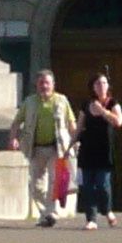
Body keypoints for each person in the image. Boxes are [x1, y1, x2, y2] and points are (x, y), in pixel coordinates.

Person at [17, 72, 76, 228]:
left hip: (56, 147)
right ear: (37, 85)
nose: (44, 86)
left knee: (53, 182)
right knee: (35, 186)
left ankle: (50, 213)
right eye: (41, 83)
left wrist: (75, 141)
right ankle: (46, 213)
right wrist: (13, 138)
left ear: (53, 84)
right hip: (35, 148)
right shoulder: (29, 102)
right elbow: (17, 122)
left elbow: (71, 122)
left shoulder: (62, 101)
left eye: (47, 83)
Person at [75, 73, 122, 230]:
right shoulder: (86, 105)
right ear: (93, 87)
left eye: (104, 83)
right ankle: (91, 219)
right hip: (88, 149)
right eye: (98, 83)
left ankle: (107, 210)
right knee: (88, 186)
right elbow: (79, 126)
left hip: (104, 150)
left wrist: (103, 111)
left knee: (102, 184)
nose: (101, 86)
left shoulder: (112, 103)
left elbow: (118, 122)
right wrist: (72, 143)